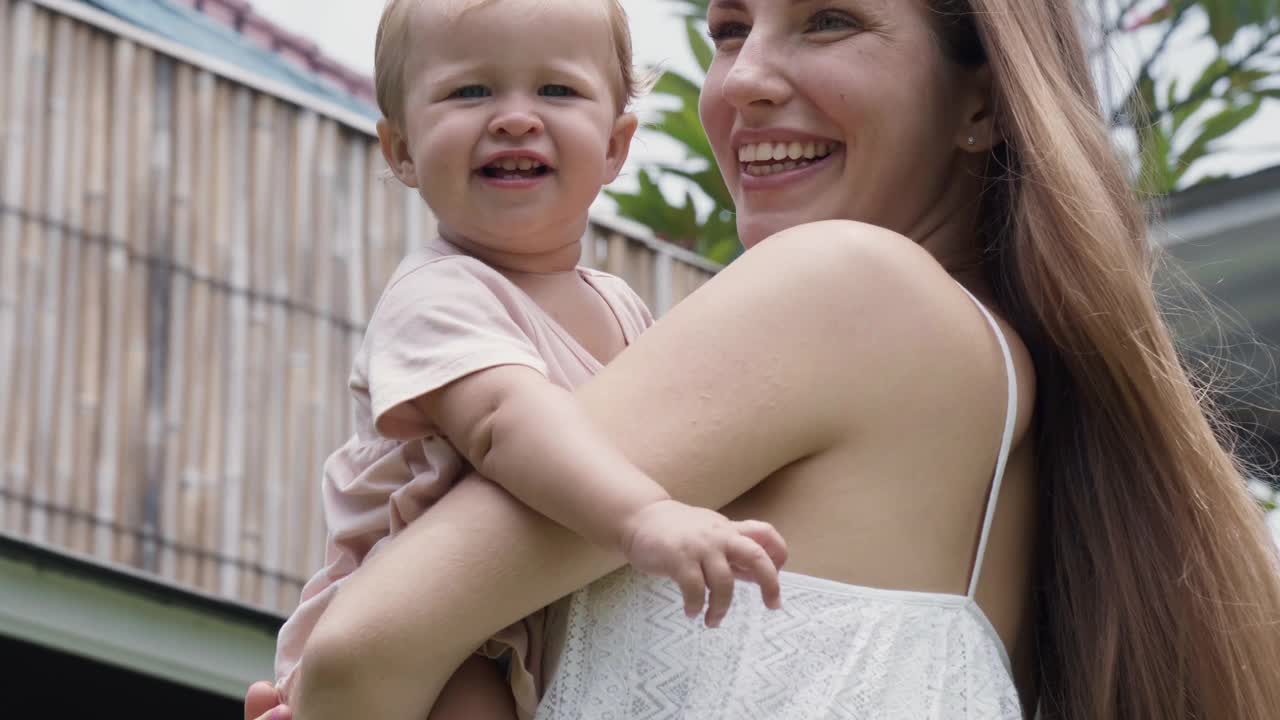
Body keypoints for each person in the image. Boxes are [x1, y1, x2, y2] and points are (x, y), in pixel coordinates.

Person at [247, 0, 1280, 718]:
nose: (740, 81)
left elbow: (362, 650)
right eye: (727, 30)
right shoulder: (1036, 429)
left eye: (828, 19)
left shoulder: (842, 283)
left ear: (978, 102)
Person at [268, 0, 788, 718]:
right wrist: (648, 518)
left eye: (556, 90)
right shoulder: (436, 294)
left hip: (539, 619)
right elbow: (503, 419)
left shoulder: (624, 309)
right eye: (470, 91)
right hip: (439, 641)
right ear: (402, 150)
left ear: (615, 146)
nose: (515, 118)